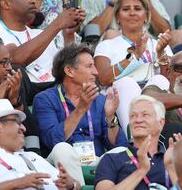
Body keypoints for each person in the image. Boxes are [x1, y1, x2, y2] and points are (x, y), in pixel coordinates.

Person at [33, 44, 127, 185]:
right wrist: (81, 108)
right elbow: (53, 140)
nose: (96, 72)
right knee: (62, 149)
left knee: (121, 152)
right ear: (69, 71)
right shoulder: (44, 99)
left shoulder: (100, 100)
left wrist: (110, 117)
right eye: (89, 66)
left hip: (95, 160)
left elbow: (118, 144)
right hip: (60, 163)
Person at [94, 0, 172, 138]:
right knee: (126, 83)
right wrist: (134, 56)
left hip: (152, 98)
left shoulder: (159, 44)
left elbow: (170, 83)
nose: (132, 13)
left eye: (137, 9)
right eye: (126, 9)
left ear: (145, 16)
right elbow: (103, 79)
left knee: (159, 80)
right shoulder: (106, 45)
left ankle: (154, 136)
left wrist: (161, 53)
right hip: (119, 101)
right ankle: (134, 136)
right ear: (117, 17)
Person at [0, 0, 85, 83]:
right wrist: (57, 24)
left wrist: (69, 34)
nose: (32, 0)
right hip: (25, 95)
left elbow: (66, 66)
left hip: (55, 92)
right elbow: (15, 59)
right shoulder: (0, 32)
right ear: (6, 4)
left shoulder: (39, 33)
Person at [0, 99, 81, 190]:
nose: (24, 128)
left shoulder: (31, 156)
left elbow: (76, 185)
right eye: (17, 122)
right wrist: (17, 183)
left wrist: (71, 185)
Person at [95, 95, 173, 189]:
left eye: (145, 115)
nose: (138, 120)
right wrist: (141, 171)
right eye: (133, 116)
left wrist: (173, 169)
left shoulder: (170, 160)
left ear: (160, 123)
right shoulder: (112, 159)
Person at [0, 37, 41, 154]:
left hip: (20, 154)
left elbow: (30, 130)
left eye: (9, 62)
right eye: (4, 62)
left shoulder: (12, 78)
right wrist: (0, 99)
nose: (9, 68)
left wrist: (14, 99)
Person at [81, 0, 170, 36]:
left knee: (178, 35)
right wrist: (116, 0)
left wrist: (147, 2)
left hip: (145, 41)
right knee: (112, 34)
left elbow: (165, 31)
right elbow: (92, 33)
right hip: (108, 46)